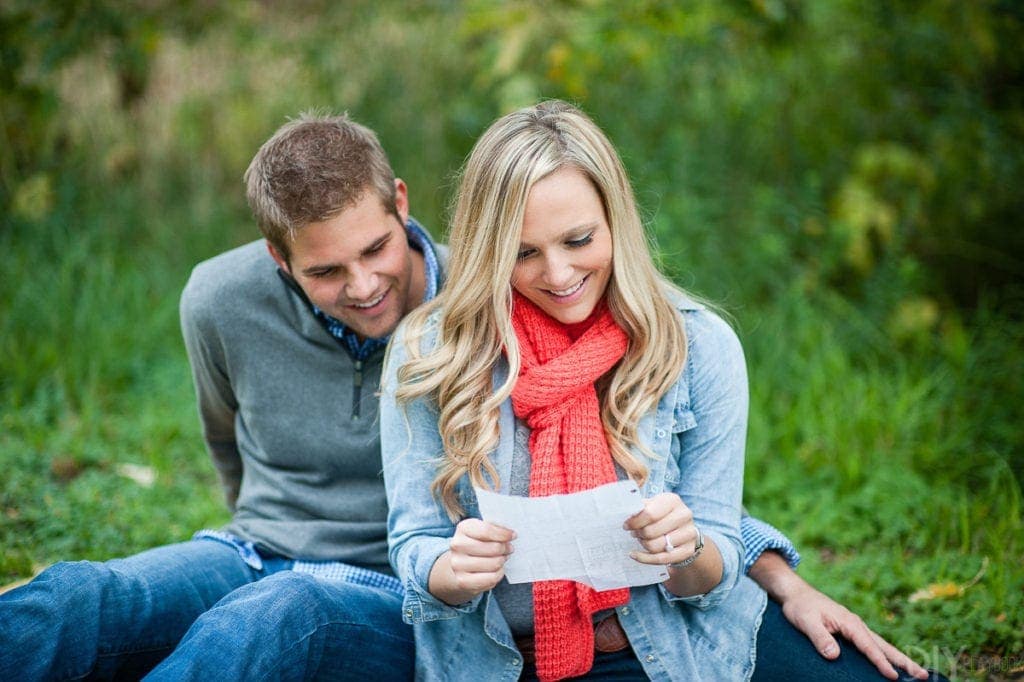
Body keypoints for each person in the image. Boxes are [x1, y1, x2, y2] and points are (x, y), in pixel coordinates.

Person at [0, 112, 926, 681]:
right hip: (287, 557)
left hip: (405, 594)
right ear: (280, 259)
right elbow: (227, 447)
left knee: (266, 627)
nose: (364, 284)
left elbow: (667, 479)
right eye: (327, 270)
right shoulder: (243, 304)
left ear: (403, 206)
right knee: (91, 602)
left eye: (378, 251)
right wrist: (278, 532)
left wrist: (777, 574)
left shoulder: (519, 309)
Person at [381, 101, 943, 681]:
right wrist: (450, 569)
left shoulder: (698, 344)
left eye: (579, 240)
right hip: (503, 661)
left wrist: (687, 549)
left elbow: (716, 562)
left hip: (679, 644)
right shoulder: (432, 350)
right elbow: (414, 542)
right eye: (522, 253)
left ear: (616, 219)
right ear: (487, 247)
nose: (557, 274)